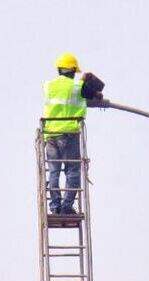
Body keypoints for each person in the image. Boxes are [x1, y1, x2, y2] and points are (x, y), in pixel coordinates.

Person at [42, 53, 103, 215]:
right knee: (72, 171)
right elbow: (92, 92)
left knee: (53, 172)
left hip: (50, 134)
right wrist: (87, 83)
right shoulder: (77, 87)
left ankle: (55, 206)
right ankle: (67, 206)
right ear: (72, 71)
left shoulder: (48, 86)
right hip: (69, 133)